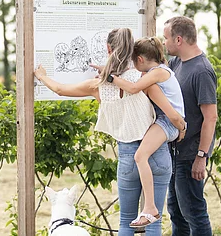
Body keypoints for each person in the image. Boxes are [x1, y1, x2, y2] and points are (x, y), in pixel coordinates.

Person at [34, 28, 176, 236]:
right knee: (153, 222)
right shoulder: (144, 79)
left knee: (127, 221)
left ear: (108, 48)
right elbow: (169, 110)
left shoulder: (97, 85)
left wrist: (41, 76)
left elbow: (61, 89)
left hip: (128, 155)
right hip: (157, 150)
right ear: (131, 50)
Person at [111, 36, 186, 228]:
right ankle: (150, 207)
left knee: (140, 156)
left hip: (167, 122)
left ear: (141, 60)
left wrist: (110, 77)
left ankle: (150, 207)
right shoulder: (158, 71)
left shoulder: (158, 73)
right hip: (167, 122)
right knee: (141, 156)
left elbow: (134, 88)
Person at [163, 16, 218, 236]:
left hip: (191, 155)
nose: (164, 42)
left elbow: (210, 117)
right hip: (175, 152)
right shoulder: (177, 63)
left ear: (178, 39)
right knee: (176, 211)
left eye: (166, 38)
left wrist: (201, 156)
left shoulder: (202, 71)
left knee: (194, 212)